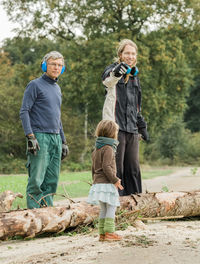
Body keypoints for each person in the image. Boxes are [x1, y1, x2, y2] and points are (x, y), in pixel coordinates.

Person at [20, 51, 69, 209]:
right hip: (39, 136)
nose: (56, 67)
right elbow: (24, 111)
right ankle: (34, 216)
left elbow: (58, 117)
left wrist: (63, 141)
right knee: (36, 180)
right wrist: (30, 136)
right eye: (53, 64)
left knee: (52, 180)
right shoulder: (34, 85)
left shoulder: (57, 88)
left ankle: (47, 214)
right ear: (44, 65)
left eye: (59, 65)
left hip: (55, 138)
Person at [102, 39, 149, 196]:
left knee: (133, 168)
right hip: (115, 128)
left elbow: (136, 106)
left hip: (132, 129)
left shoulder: (135, 77)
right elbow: (107, 81)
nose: (130, 56)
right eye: (127, 53)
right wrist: (118, 71)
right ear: (120, 55)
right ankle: (116, 206)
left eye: (133, 53)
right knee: (117, 168)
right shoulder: (112, 71)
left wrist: (142, 126)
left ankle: (136, 204)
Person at [87, 120, 123, 242]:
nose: (117, 133)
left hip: (98, 184)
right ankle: (110, 232)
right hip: (107, 183)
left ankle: (102, 233)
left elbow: (93, 169)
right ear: (112, 133)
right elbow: (106, 167)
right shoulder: (108, 148)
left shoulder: (96, 149)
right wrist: (115, 180)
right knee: (111, 207)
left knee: (103, 209)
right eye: (116, 131)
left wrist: (95, 182)